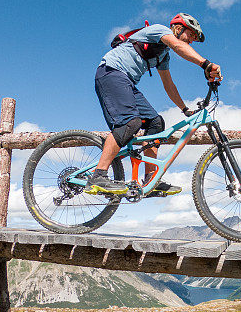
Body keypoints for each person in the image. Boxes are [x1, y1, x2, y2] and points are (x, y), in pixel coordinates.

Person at [85, 12, 222, 196]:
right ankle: (98, 175)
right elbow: (178, 45)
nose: (192, 40)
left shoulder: (163, 56)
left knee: (156, 122)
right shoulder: (159, 30)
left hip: (126, 82)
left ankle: (151, 179)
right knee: (129, 123)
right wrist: (205, 64)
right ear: (179, 28)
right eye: (192, 35)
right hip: (111, 73)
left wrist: (184, 109)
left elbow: (168, 84)